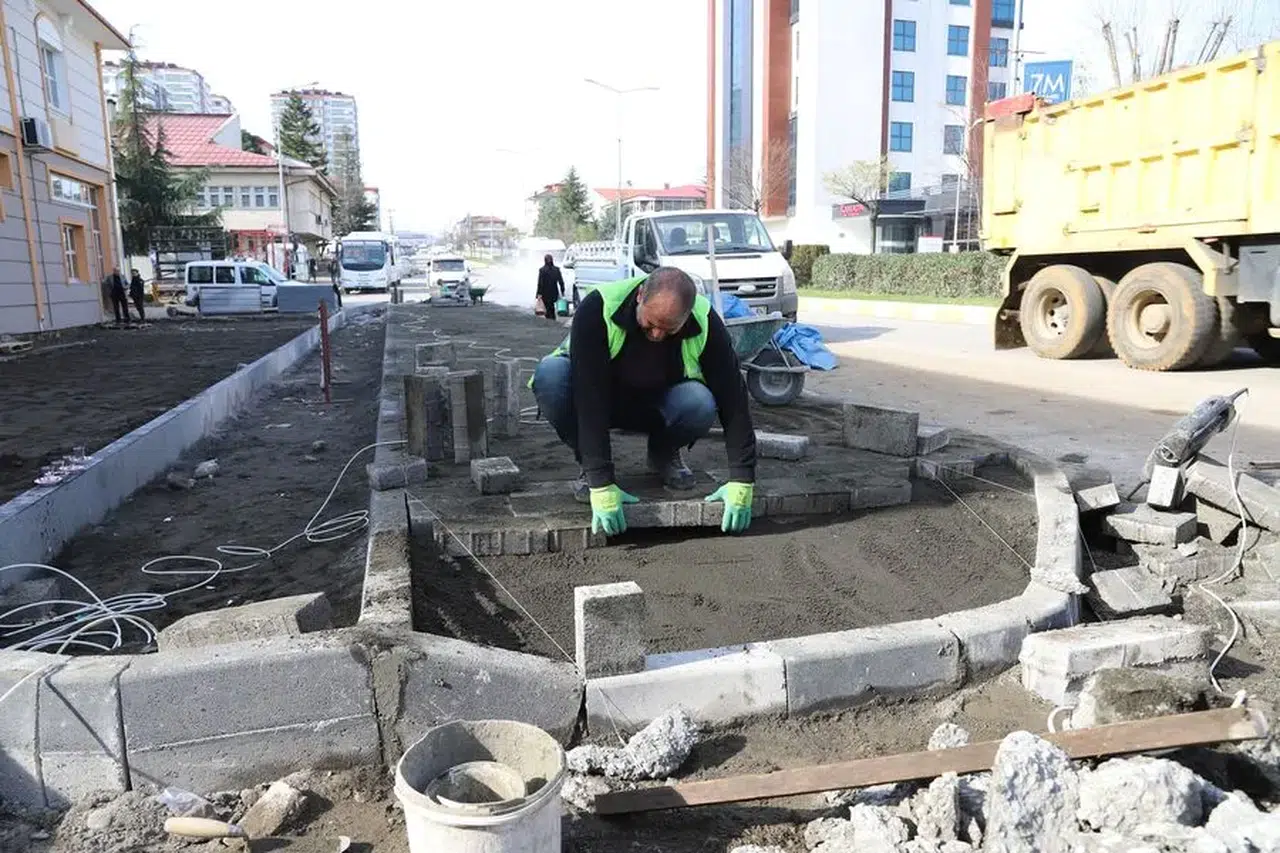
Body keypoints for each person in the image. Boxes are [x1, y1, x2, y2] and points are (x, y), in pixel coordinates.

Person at [531, 267, 757, 537]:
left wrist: (742, 479)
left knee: (700, 402)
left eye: (669, 329)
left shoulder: (706, 321)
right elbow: (588, 397)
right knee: (551, 375)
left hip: (657, 405)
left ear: (686, 316)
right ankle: (586, 464)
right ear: (640, 296)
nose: (657, 335)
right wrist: (600, 481)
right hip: (600, 399)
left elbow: (733, 398)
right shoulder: (599, 308)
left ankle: (663, 452)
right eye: (650, 324)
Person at [535, 253, 564, 321]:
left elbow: (540, 283)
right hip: (554, 292)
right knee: (551, 305)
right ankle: (552, 317)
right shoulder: (556, 269)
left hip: (545, 292)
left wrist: (538, 294)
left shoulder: (542, 270)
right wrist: (562, 290)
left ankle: (549, 318)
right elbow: (561, 281)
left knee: (547, 306)